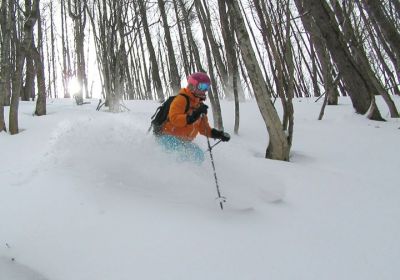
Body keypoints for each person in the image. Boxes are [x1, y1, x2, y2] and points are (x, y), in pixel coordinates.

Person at [157, 72, 230, 163]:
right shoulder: (181, 99)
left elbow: (204, 129)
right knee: (182, 156)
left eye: (207, 87)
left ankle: (193, 176)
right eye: (202, 87)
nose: (205, 90)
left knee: (199, 156)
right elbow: (174, 119)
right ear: (192, 86)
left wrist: (219, 134)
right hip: (168, 137)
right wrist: (193, 116)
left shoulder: (199, 105)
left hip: (184, 141)